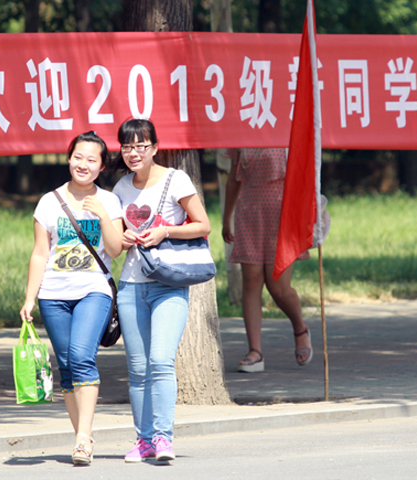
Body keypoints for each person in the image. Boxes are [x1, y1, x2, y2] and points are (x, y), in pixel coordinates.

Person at [19, 131, 123, 465]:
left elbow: (115, 249)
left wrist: (102, 215)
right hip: (53, 295)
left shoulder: (109, 201)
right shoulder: (49, 202)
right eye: (78, 157)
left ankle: (82, 438)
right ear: (68, 159)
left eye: (92, 159)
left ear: (101, 166)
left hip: (93, 290)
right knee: (66, 366)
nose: (83, 164)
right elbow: (40, 253)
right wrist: (30, 298)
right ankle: (84, 439)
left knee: (80, 356)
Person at [112, 119, 211, 463]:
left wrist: (165, 231)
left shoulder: (175, 179)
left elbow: (203, 225)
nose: (134, 153)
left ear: (155, 148)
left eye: (141, 146)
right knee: (138, 368)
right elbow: (115, 244)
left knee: (160, 361)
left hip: (168, 284)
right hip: (130, 286)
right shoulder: (121, 187)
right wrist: (123, 238)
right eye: (127, 147)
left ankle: (163, 438)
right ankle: (143, 441)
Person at [222, 148, 313, 373]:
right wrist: (226, 217)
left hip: (283, 209)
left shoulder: (285, 130)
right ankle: (255, 351)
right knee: (251, 281)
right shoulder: (242, 132)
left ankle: (300, 328)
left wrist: (309, 214)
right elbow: (234, 177)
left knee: (278, 286)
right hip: (250, 209)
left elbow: (304, 174)